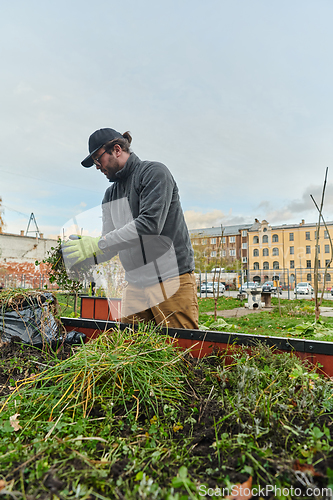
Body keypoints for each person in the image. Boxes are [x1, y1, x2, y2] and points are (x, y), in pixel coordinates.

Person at [63, 128, 198, 329]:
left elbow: (149, 225)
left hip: (170, 279)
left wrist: (99, 243)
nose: (98, 167)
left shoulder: (154, 174)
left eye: (98, 160)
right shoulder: (110, 195)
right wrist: (85, 256)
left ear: (117, 150)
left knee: (180, 349)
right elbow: (110, 245)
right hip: (136, 285)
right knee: (130, 349)